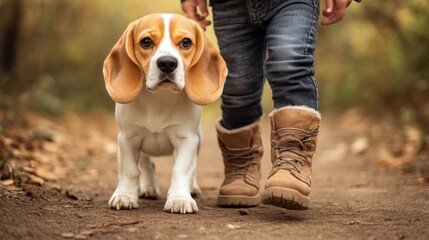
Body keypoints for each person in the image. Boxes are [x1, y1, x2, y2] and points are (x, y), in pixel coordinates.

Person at [181, 0, 359, 210]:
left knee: (289, 62)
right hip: (229, 4)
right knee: (238, 82)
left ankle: (292, 158)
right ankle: (241, 163)